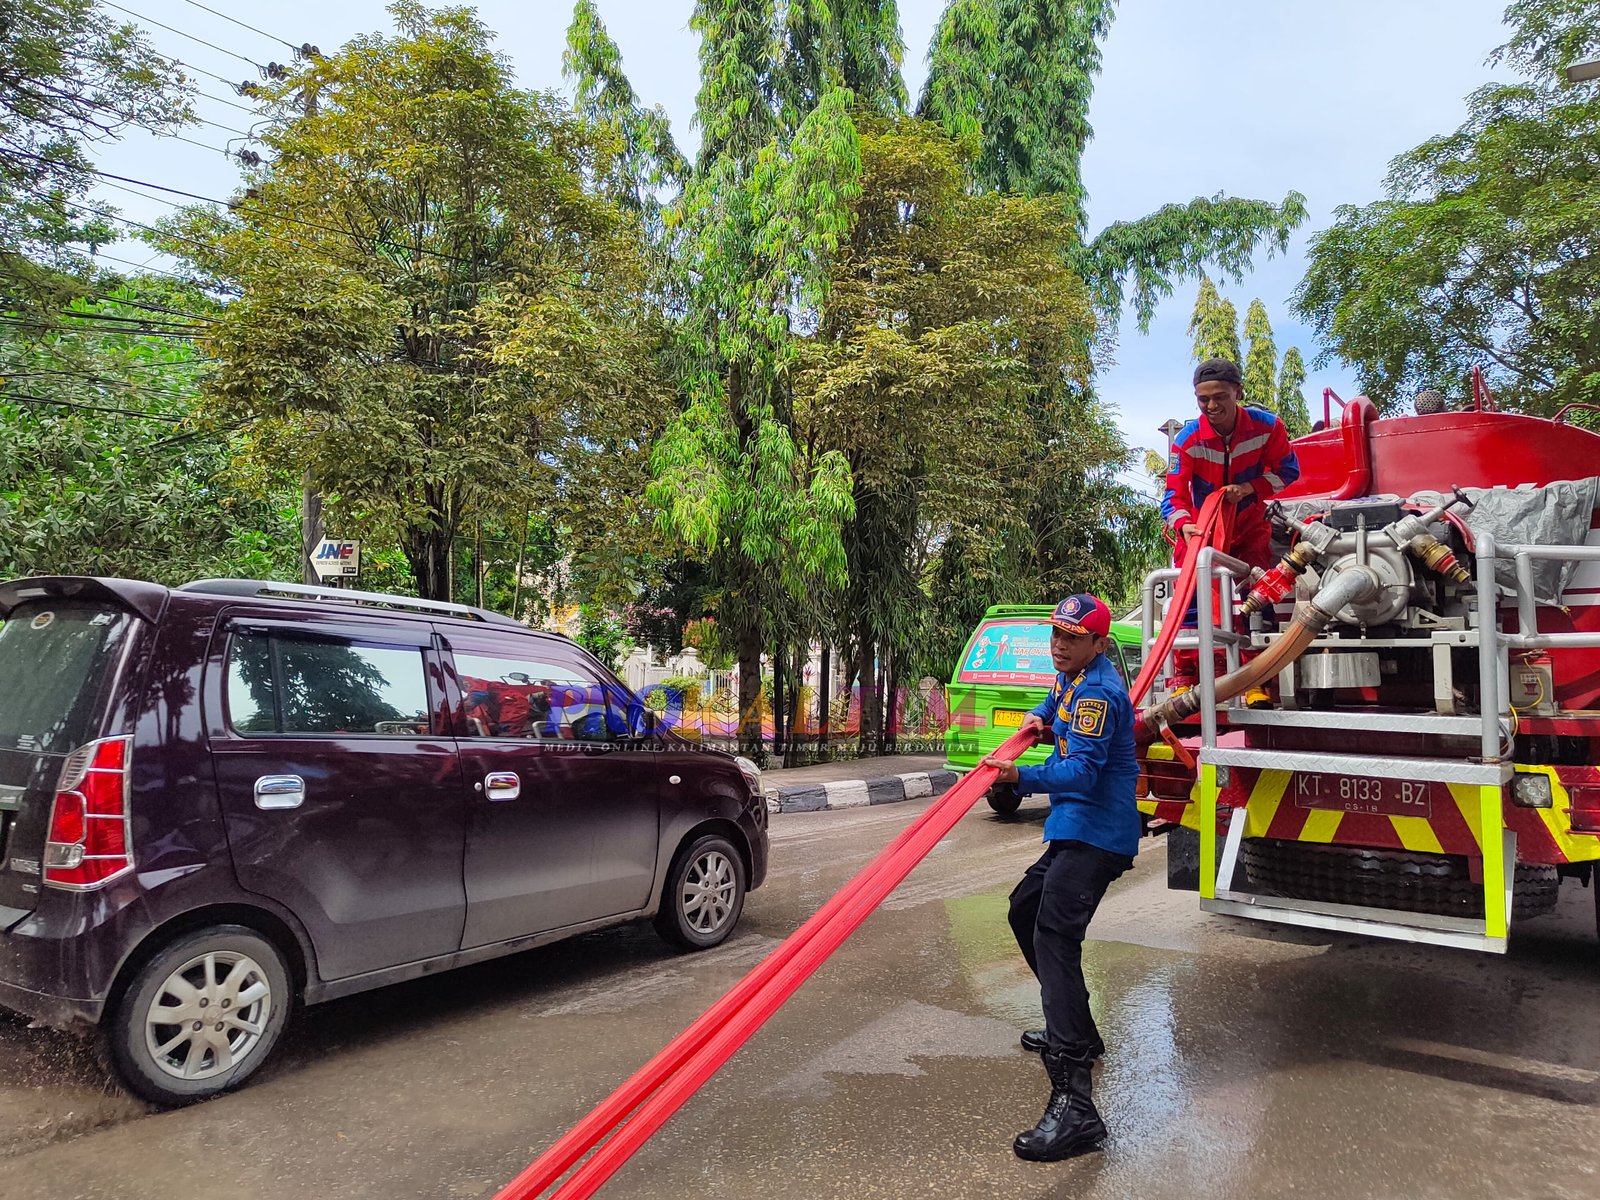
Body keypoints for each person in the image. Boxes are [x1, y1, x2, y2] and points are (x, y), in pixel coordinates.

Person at [982, 593, 1139, 1162]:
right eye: (1056, 634)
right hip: (1073, 829)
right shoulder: (1071, 678)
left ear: (1099, 644)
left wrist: (1018, 776)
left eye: (1072, 638)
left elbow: (1081, 769)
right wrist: (1037, 720)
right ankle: (1078, 1029)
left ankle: (1077, 1106)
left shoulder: (1098, 690)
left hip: (1098, 834)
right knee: (1025, 909)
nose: (1059, 645)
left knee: (1054, 934)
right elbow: (1054, 707)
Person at [1160, 357, 1301, 698]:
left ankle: (1257, 682)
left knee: (1257, 600)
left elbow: (1289, 472)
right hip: (1201, 533)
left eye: (1219, 396)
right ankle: (1183, 679)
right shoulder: (1188, 439)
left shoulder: (1268, 427)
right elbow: (1172, 497)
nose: (1211, 406)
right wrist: (1185, 526)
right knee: (1189, 602)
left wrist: (1250, 489)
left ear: (1238, 392)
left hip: (1249, 528)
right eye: (1202, 399)